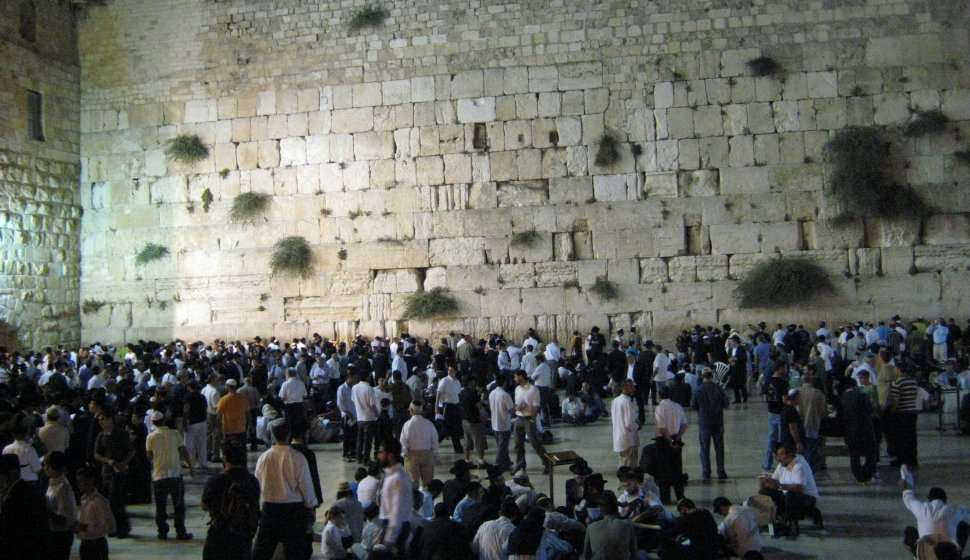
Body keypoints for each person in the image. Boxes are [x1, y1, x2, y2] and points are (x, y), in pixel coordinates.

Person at [252, 418, 319, 560]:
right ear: (289, 434)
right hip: (294, 512)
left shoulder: (264, 458)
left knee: (261, 553)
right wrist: (311, 507)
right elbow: (306, 486)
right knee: (294, 553)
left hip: (270, 511)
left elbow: (257, 486)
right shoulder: (298, 457)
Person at [201, 443, 260, 560]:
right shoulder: (252, 481)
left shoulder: (215, 480)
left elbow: (205, 505)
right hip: (243, 538)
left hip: (219, 535)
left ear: (225, 458)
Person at [145, 410, 194, 540]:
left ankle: (162, 531)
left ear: (154, 423)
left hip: (159, 476)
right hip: (175, 475)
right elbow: (183, 451)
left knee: (160, 506)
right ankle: (180, 531)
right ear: (164, 421)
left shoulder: (150, 437)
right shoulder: (175, 433)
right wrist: (191, 467)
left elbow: (149, 456)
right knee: (178, 505)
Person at [758, 442, 821, 534]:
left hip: (805, 497)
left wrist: (780, 486)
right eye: (778, 454)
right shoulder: (782, 464)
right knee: (765, 491)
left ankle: (788, 522)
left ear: (790, 454)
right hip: (787, 494)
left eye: (781, 454)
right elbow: (775, 480)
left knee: (790, 496)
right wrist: (766, 483)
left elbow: (800, 488)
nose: (778, 457)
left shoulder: (799, 466)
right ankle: (775, 518)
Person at [900, 474, 970, 557]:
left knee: (909, 530)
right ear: (945, 500)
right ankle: (958, 554)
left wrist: (904, 487)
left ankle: (918, 554)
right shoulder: (954, 510)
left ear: (929, 499)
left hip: (925, 555)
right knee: (963, 526)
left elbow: (908, 499)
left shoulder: (922, 508)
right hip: (950, 556)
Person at [0, 453, 49, 560]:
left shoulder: (19, 495)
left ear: (10, 474)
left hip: (22, 552)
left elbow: (14, 531)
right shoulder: (26, 491)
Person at [93, 412, 132, 538]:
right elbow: (97, 454)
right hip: (107, 472)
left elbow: (131, 450)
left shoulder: (121, 434)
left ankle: (122, 527)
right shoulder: (101, 436)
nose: (101, 422)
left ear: (110, 419)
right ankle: (115, 527)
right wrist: (107, 461)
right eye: (100, 420)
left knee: (117, 500)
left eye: (103, 419)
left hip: (120, 472)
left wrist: (123, 463)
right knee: (109, 501)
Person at [376, 437, 414, 555]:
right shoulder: (391, 474)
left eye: (381, 452)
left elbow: (397, 512)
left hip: (395, 531)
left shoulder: (398, 478)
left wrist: (389, 540)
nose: (379, 456)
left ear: (390, 455)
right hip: (391, 527)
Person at [691, 369, 729, 481]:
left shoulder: (698, 389)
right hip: (717, 422)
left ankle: (706, 472)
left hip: (704, 423)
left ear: (703, 377)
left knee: (704, 449)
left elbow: (693, 405)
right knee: (719, 448)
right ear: (712, 377)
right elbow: (726, 403)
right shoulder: (718, 388)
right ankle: (721, 471)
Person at [838, 379, 878, 484]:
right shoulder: (862, 395)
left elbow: (840, 416)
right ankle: (867, 474)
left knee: (854, 455)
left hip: (850, 430)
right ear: (854, 385)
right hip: (866, 428)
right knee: (870, 453)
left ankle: (859, 476)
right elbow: (871, 410)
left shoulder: (842, 398)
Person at [654, 385, 688, 504]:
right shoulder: (678, 406)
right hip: (676, 438)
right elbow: (684, 425)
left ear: (660, 395)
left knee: (663, 470)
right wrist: (676, 439)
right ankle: (680, 496)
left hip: (664, 441)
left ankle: (665, 497)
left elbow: (661, 428)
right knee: (677, 468)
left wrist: (669, 441)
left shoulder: (660, 408)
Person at [583, 490, 637, 560]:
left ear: (600, 509)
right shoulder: (627, 526)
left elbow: (586, 556)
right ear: (617, 507)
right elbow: (634, 554)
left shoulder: (591, 527)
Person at [76, 465, 115, 560]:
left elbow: (110, 526)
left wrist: (87, 528)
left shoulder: (100, 501)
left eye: (83, 480)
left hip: (96, 545)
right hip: (85, 542)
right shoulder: (83, 499)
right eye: (78, 481)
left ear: (91, 480)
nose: (81, 484)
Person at [44, 451, 79, 560]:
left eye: (46, 465)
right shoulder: (53, 483)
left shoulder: (63, 488)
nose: (44, 468)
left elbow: (65, 518)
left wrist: (46, 512)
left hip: (61, 535)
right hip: (54, 532)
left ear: (51, 467)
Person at [513, 369, 548, 474]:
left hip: (529, 419)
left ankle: (547, 463)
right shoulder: (517, 389)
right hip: (519, 418)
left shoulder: (533, 389)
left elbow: (536, 405)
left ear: (521, 377)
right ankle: (520, 466)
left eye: (515, 377)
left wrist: (533, 419)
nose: (514, 379)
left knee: (535, 443)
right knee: (518, 444)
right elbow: (516, 405)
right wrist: (518, 408)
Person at [400, 401, 439, 488]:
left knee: (413, 484)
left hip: (412, 456)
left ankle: (415, 501)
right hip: (427, 454)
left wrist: (404, 455)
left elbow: (403, 442)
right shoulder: (429, 424)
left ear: (411, 410)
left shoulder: (407, 425)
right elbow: (435, 440)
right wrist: (434, 452)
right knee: (428, 484)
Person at [762, 361, 789, 471]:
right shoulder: (783, 383)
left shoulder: (768, 381)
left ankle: (767, 462)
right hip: (780, 412)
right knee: (782, 438)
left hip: (771, 411)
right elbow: (784, 399)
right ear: (780, 368)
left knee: (771, 438)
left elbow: (765, 399)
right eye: (784, 368)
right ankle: (782, 462)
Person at [436, 365, 465, 454]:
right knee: (445, 429)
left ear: (455, 372)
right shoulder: (444, 380)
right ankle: (434, 444)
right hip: (448, 407)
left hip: (456, 407)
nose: (449, 372)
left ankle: (458, 448)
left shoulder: (457, 382)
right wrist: (436, 408)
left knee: (456, 428)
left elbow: (459, 395)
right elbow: (438, 394)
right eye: (448, 370)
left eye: (452, 370)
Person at [489, 375, 515, 470]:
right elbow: (511, 409)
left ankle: (506, 461)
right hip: (504, 424)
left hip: (495, 423)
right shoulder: (505, 395)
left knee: (501, 445)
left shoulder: (492, 393)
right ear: (504, 383)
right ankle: (499, 464)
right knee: (502, 446)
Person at [217, 378, 252, 449]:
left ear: (227, 386)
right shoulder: (243, 398)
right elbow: (248, 413)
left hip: (228, 429)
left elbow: (219, 415)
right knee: (241, 449)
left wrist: (219, 429)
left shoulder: (223, 400)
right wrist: (250, 425)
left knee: (230, 450)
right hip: (241, 428)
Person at [612, 379, 639, 467]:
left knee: (623, 464)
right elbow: (629, 424)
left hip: (619, 437)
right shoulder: (627, 402)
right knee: (629, 466)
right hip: (628, 439)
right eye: (631, 387)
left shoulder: (615, 401)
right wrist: (637, 425)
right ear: (624, 388)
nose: (634, 389)